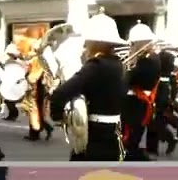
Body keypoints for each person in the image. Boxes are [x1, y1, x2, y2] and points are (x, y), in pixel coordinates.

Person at [49, 12, 128, 161]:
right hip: (114, 133)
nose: (85, 44)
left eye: (88, 41)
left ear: (96, 42)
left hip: (94, 135)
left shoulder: (95, 65)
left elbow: (60, 94)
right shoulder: (119, 65)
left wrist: (58, 116)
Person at [122, 22, 162, 160]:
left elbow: (129, 79)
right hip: (137, 102)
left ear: (141, 42)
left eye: (134, 43)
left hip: (137, 103)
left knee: (131, 138)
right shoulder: (148, 57)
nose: (132, 46)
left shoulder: (148, 60)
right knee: (133, 137)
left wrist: (128, 68)